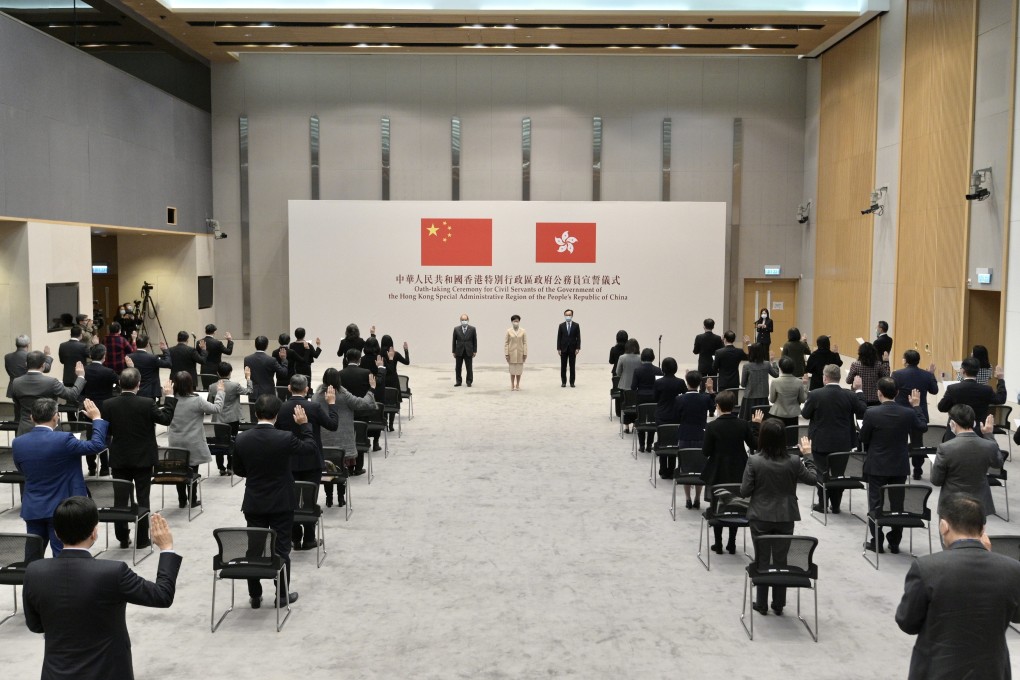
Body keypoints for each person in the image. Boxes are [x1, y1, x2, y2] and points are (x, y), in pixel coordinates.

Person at [22, 498, 182, 680]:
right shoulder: (113, 572)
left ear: (57, 533)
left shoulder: (34, 572)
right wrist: (166, 548)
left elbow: (35, 625)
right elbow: (162, 595)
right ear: (94, 532)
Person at [895, 494, 1020, 680]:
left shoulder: (926, 567)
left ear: (944, 526)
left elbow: (908, 623)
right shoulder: (1012, 569)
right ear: (983, 529)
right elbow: (1017, 616)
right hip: (992, 671)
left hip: (937, 671)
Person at [232, 394, 320, 608]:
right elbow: (310, 448)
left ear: (256, 413)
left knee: (254, 548)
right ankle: (281, 595)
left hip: (254, 500)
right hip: (282, 501)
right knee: (282, 549)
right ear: (277, 415)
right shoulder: (285, 437)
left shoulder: (242, 439)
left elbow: (238, 469)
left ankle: (255, 595)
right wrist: (305, 425)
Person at [739, 419, 818, 616]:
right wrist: (808, 455)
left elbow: (744, 491)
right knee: (781, 559)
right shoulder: (794, 461)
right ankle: (778, 603)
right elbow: (813, 479)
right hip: (785, 515)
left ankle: (761, 603)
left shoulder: (754, 461)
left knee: (762, 558)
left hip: (760, 515)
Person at [12, 397, 109, 557]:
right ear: (55, 417)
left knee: (32, 557)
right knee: (63, 556)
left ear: (31, 417)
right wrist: (97, 419)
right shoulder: (64, 439)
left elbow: (22, 469)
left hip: (34, 507)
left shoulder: (18, 442)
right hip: (63, 509)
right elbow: (96, 445)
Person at [101, 369, 175, 549]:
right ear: (138, 384)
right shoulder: (147, 403)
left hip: (119, 458)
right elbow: (166, 419)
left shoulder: (108, 404)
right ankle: (142, 539)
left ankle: (122, 537)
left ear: (120, 384)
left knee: (120, 499)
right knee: (143, 498)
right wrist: (169, 397)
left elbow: (107, 432)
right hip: (143, 458)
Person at [859, 377, 926, 553]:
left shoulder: (871, 413)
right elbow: (922, 427)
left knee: (875, 503)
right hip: (899, 464)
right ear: (897, 393)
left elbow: (863, 438)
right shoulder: (908, 413)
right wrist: (917, 406)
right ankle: (895, 542)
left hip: (877, 464)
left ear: (879, 393)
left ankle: (877, 541)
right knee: (897, 504)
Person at [274, 374, 338, 550]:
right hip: (311, 460)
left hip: (289, 460)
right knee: (310, 498)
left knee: (291, 499)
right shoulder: (314, 407)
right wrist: (331, 404)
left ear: (289, 388)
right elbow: (333, 425)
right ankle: (309, 538)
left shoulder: (281, 408)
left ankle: (295, 537)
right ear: (307, 389)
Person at [801, 364, 868, 514]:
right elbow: (863, 410)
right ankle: (836, 505)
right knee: (838, 474)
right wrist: (858, 390)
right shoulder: (850, 395)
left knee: (821, 472)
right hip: (843, 442)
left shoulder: (815, 394)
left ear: (825, 378)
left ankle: (822, 504)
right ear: (839, 378)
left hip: (820, 441)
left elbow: (805, 414)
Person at [702, 391, 759, 554]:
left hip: (718, 469)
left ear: (718, 406)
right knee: (736, 504)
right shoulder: (743, 424)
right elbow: (754, 444)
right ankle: (732, 543)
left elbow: (706, 451)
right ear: (734, 406)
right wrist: (756, 425)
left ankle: (718, 543)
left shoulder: (712, 426)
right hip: (739, 467)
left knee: (717, 504)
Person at [314, 368, 377, 508]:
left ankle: (329, 498)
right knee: (341, 469)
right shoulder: (344, 395)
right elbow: (363, 403)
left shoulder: (317, 396)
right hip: (343, 441)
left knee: (327, 469)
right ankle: (341, 498)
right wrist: (371, 389)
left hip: (324, 439)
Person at [931, 405, 1003, 518]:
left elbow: (936, 480)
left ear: (953, 423)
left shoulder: (945, 448)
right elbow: (998, 463)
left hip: (952, 504)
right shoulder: (989, 446)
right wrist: (989, 435)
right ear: (974, 423)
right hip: (979, 505)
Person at [167, 371, 224, 507]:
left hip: (176, 441)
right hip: (193, 442)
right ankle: (192, 499)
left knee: (179, 471)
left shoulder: (171, 401)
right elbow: (216, 408)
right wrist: (220, 392)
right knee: (193, 471)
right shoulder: (197, 400)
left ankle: (182, 500)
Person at [668, 371, 716, 508]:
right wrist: (710, 391)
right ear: (700, 383)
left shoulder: (679, 399)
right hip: (701, 435)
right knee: (700, 467)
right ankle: (697, 498)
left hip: (684, 435)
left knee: (686, 467)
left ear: (687, 382)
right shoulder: (705, 398)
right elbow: (713, 408)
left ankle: (688, 499)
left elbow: (675, 417)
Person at [12, 351, 85, 436]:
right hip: (50, 428)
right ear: (43, 365)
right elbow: (72, 394)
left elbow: (17, 404)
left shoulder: (16, 382)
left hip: (26, 428)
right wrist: (80, 376)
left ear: (26, 364)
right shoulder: (51, 382)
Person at [893, 349, 940, 479]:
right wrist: (932, 374)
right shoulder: (927, 375)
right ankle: (917, 470)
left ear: (905, 361)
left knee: (899, 441)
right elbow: (934, 390)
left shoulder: (897, 374)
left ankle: (899, 468)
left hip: (901, 413)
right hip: (919, 412)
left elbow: (892, 390)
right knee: (918, 443)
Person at [937, 357, 1007, 431]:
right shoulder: (986, 389)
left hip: (955, 431)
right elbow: (1001, 399)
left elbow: (942, 407)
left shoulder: (952, 388)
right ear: (977, 372)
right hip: (978, 430)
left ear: (963, 371)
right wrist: (1000, 379)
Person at [207, 362, 252, 474]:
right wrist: (248, 378)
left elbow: (210, 403)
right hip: (233, 418)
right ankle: (230, 467)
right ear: (230, 373)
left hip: (218, 419)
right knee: (232, 441)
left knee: (219, 442)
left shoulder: (212, 387)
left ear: (217, 373)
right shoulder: (235, 386)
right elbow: (249, 391)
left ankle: (221, 467)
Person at [653, 357, 688, 477]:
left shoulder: (658, 382)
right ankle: (672, 469)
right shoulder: (680, 382)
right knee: (674, 442)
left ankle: (663, 470)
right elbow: (685, 396)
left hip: (662, 414)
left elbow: (655, 398)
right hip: (676, 415)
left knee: (662, 441)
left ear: (663, 368)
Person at [768, 356, 808, 444]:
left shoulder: (775, 382)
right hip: (793, 414)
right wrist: (805, 386)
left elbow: (772, 400)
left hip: (778, 413)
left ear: (780, 368)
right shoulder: (799, 382)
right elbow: (802, 399)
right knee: (791, 440)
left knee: (777, 440)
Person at [5, 335, 53, 404]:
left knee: (17, 409)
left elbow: (8, 371)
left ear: (16, 344)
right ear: (28, 345)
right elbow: (46, 369)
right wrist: (47, 355)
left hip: (14, 388)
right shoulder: (31, 356)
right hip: (29, 388)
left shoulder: (7, 357)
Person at [631, 348, 663, 453]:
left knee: (641, 421)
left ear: (642, 357)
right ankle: (649, 445)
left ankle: (641, 445)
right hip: (654, 398)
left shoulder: (637, 370)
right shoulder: (658, 370)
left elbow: (633, 387)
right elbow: (660, 386)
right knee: (652, 421)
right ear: (653, 357)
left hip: (641, 398)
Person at [739, 342, 778, 420]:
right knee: (763, 420)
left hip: (749, 397)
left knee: (748, 420)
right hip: (763, 397)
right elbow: (776, 374)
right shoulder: (767, 364)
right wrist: (773, 362)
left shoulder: (746, 366)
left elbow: (743, 384)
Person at [125, 334, 171, 399]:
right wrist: (165, 350)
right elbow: (168, 364)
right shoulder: (153, 358)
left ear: (136, 344)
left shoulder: (128, 357)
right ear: (147, 345)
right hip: (150, 391)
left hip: (134, 389)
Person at [845, 341, 889, 407]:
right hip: (875, 399)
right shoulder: (878, 364)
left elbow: (848, 381)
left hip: (859, 398)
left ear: (860, 353)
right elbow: (887, 377)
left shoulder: (855, 365)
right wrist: (886, 362)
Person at [244, 335, 288, 399]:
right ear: (267, 345)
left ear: (255, 345)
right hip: (268, 393)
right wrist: (284, 360)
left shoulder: (247, 359)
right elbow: (283, 373)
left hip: (253, 393)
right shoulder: (271, 360)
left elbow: (247, 376)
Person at [379, 335, 409, 426]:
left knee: (383, 401)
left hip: (383, 379)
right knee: (393, 401)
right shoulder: (395, 354)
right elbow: (407, 362)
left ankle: (385, 422)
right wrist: (406, 350)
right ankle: (391, 425)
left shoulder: (379, 355)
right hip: (393, 380)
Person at [614, 338, 642, 434]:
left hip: (624, 386)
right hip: (637, 386)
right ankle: (634, 424)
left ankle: (626, 427)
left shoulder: (622, 357)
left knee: (625, 406)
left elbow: (618, 372)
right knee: (636, 406)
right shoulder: (640, 358)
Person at [555, 308, 581, 387]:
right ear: (564, 315)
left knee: (572, 366)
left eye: (569, 315)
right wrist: (558, 348)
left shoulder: (576, 325)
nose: (568, 316)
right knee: (563, 366)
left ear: (572, 315)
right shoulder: (561, 325)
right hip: (563, 349)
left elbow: (578, 337)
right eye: (566, 315)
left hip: (573, 349)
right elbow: (559, 337)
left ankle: (572, 382)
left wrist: (578, 348)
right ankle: (563, 382)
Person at [452, 313, 478, 387]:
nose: (464, 321)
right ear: (460, 320)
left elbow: (475, 340)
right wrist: (453, 351)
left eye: (465, 319)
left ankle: (469, 381)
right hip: (459, 351)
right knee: (458, 368)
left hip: (468, 350)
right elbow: (454, 341)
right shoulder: (456, 329)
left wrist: (474, 351)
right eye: (462, 320)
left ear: (468, 320)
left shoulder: (472, 329)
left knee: (469, 368)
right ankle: (458, 381)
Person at [504, 316, 527, 391]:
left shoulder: (523, 331)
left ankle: (518, 384)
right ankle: (512, 384)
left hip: (520, 353)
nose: (516, 322)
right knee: (512, 370)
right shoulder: (508, 331)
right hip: (511, 353)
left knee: (519, 371)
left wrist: (525, 353)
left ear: (519, 321)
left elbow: (525, 343)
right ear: (512, 322)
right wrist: (506, 354)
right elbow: (506, 343)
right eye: (514, 321)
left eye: (517, 321)